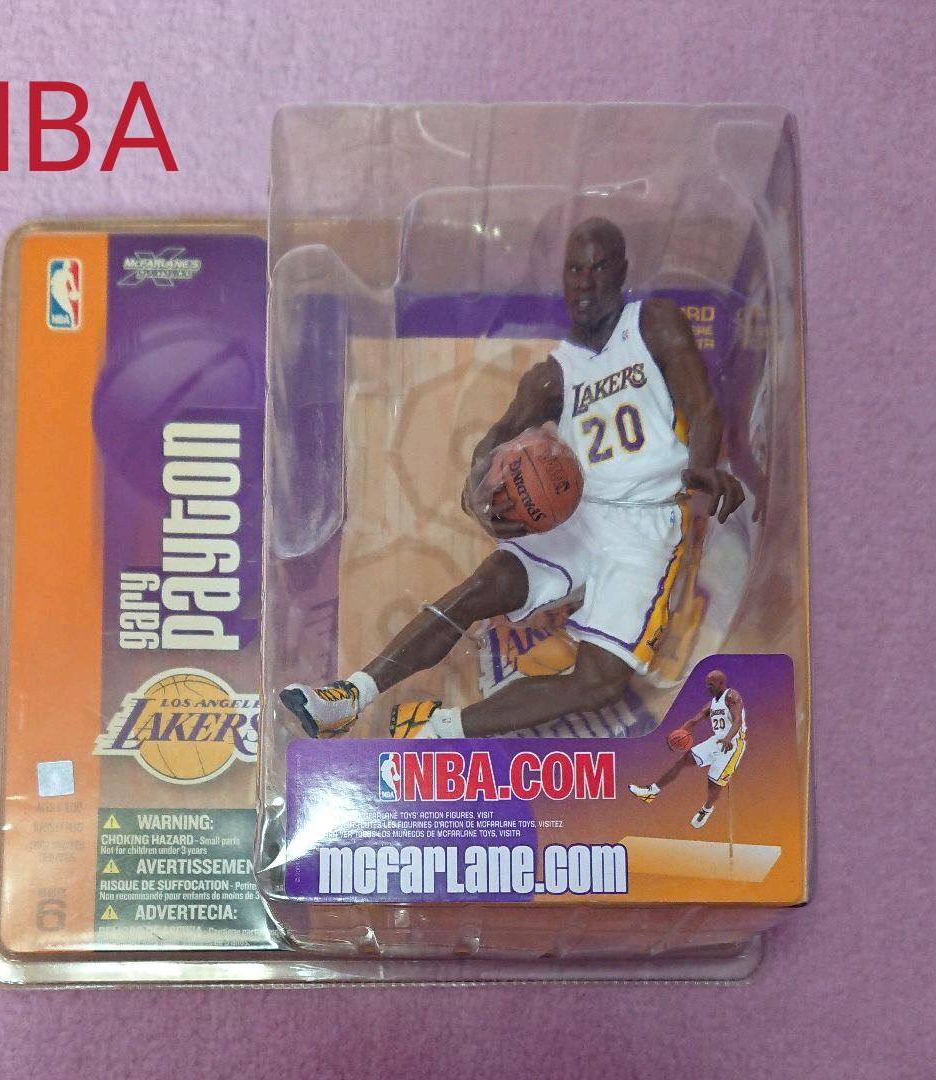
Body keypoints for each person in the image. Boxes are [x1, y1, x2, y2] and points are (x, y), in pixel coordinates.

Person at [280, 217, 744, 740]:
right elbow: (495, 441)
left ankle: (437, 731)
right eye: (575, 270)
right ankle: (350, 695)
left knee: (599, 682)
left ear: (621, 271)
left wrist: (703, 467)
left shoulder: (653, 323)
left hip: (646, 524)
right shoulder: (553, 375)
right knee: (489, 584)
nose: (586, 282)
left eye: (598, 268)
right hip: (580, 514)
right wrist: (479, 495)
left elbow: (702, 406)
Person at [628, 669, 747, 828]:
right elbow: (694, 720)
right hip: (717, 740)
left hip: (733, 743)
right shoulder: (711, 704)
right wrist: (679, 733)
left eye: (711, 685)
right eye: (707, 685)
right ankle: (652, 791)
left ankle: (706, 809)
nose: (708, 688)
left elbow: (738, 720)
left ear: (721, 683)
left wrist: (728, 738)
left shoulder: (732, 696)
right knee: (684, 759)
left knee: (714, 783)